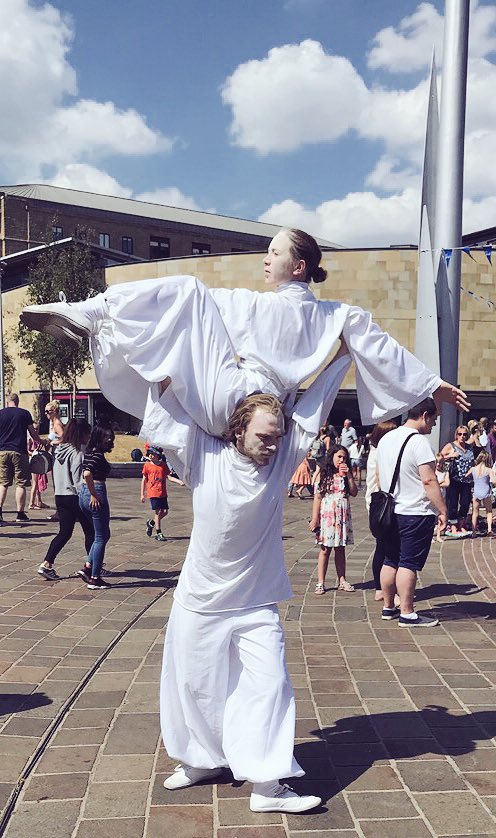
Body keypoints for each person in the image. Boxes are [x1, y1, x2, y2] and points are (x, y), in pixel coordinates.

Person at [20, 229, 470, 452]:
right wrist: (430, 384)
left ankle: (94, 311)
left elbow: (195, 306)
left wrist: (430, 385)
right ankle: (95, 318)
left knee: (189, 292)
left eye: (274, 252)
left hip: (230, 398)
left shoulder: (256, 305)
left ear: (299, 267)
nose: (265, 259)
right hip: (258, 415)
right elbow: (378, 344)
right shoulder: (336, 315)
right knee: (190, 304)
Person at [156, 340, 351, 813]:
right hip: (200, 599)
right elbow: (167, 410)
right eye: (265, 436)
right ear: (238, 430)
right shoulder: (204, 454)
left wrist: (341, 356)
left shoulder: (280, 461)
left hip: (256, 601)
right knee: (194, 687)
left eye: (278, 437)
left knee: (270, 685)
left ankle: (268, 786)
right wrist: (164, 361)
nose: (273, 444)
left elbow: (314, 408)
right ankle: (201, 761)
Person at [376, 398, 446, 628]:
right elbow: (429, 480)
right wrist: (442, 509)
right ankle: (407, 613)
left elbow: (380, 475)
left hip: (389, 512)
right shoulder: (419, 443)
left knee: (390, 559)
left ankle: (388, 607)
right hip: (415, 512)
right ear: (425, 415)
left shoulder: (386, 438)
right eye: (434, 419)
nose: (434, 424)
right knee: (408, 563)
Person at [37, 419, 94, 581]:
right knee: (91, 531)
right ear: (81, 434)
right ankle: (92, 565)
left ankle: (46, 564)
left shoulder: (59, 451)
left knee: (64, 533)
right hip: (74, 496)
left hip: (60, 495)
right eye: (88, 434)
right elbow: (77, 480)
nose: (89, 437)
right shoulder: (77, 453)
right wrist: (88, 496)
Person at [309, 444, 357, 594]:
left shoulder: (346, 475)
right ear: (332, 457)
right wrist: (314, 518)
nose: (341, 460)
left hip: (342, 516)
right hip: (328, 514)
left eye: (344, 457)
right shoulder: (324, 474)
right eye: (339, 457)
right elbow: (318, 497)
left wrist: (349, 476)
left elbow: (354, 492)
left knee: (340, 549)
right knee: (325, 549)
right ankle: (320, 582)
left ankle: (342, 580)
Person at [78, 424, 115, 590]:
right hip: (95, 491)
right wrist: (94, 493)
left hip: (84, 494)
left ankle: (88, 567)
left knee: (103, 534)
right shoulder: (98, 455)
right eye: (107, 437)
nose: (110, 440)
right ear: (99, 437)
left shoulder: (89, 452)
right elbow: (87, 473)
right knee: (100, 536)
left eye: (111, 437)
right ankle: (94, 578)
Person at [0, 393, 47, 524]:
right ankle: (20, 514)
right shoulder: (24, 414)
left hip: (2, 451)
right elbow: (33, 433)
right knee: (20, 484)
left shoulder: (1, 413)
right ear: (18, 401)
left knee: (3, 483)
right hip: (19, 452)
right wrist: (41, 441)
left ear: (7, 402)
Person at [364, 420, 397, 601]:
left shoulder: (375, 451)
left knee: (382, 546)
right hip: (383, 503)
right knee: (387, 547)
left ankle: (380, 588)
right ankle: (385, 588)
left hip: (375, 502)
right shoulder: (381, 453)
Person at [141, 445, 184, 541]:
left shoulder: (163, 465)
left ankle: (151, 523)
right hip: (153, 492)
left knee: (165, 512)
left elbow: (169, 477)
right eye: (150, 454)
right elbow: (144, 480)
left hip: (162, 492)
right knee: (157, 512)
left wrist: (180, 481)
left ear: (158, 455)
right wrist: (142, 494)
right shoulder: (147, 465)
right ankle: (159, 533)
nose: (151, 455)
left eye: (153, 454)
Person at [441, 426, 475, 537]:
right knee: (453, 503)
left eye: (464, 434)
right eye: (460, 434)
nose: (462, 436)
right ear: (456, 435)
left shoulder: (469, 447)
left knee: (465, 503)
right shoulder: (451, 446)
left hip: (467, 480)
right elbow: (439, 458)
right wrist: (451, 455)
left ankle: (462, 524)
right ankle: (453, 526)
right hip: (454, 479)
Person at [467, 452, 495, 536]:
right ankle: (489, 529)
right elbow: (494, 481)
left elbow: (466, 476)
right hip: (486, 491)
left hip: (476, 492)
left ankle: (473, 532)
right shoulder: (489, 470)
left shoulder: (473, 469)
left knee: (475, 512)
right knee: (489, 511)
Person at [28, 423, 50, 509]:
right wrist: (35, 453)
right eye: (34, 429)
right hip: (34, 463)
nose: (36, 431)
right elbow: (27, 451)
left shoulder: (39, 440)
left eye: (37, 429)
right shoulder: (30, 440)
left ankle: (39, 501)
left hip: (39, 462)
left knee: (37, 483)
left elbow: (45, 449)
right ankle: (31, 503)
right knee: (35, 483)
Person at [434, 452, 450, 542]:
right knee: (433, 517)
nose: (438, 464)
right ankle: (431, 536)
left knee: (441, 516)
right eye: (437, 462)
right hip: (434, 497)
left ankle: (438, 535)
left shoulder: (445, 472)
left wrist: (438, 484)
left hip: (442, 497)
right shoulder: (433, 472)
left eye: (440, 462)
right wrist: (441, 483)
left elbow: (447, 483)